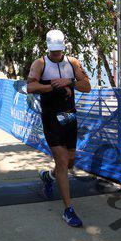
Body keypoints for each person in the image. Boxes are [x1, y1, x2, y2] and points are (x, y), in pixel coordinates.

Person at [27, 29, 91, 227]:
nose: (56, 53)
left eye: (59, 49)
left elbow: (87, 86)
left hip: (69, 117)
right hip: (51, 119)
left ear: (64, 46)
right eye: (53, 50)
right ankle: (68, 210)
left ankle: (48, 177)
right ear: (48, 47)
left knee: (70, 162)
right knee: (62, 161)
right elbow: (30, 87)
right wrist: (52, 86)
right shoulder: (40, 63)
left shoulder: (73, 63)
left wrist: (69, 81)